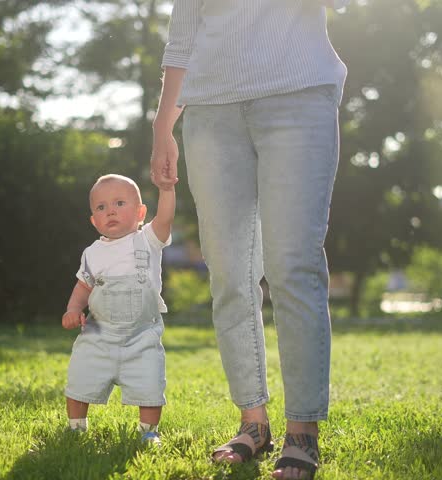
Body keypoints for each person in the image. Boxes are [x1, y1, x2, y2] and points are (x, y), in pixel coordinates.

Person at [151, 0, 348, 478]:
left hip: (297, 97)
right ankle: (252, 423)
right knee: (230, 275)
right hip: (211, 113)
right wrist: (163, 127)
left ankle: (303, 430)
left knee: (291, 266)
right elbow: (183, 38)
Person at [62, 174, 175, 444]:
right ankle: (76, 426)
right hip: (98, 335)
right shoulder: (93, 253)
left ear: (140, 212)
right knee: (80, 377)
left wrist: (167, 189)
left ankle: (148, 431)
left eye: (119, 203)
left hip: (141, 337)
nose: (110, 210)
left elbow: (166, 218)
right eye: (101, 207)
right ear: (94, 220)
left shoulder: (148, 239)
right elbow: (83, 287)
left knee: (149, 384)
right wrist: (73, 309)